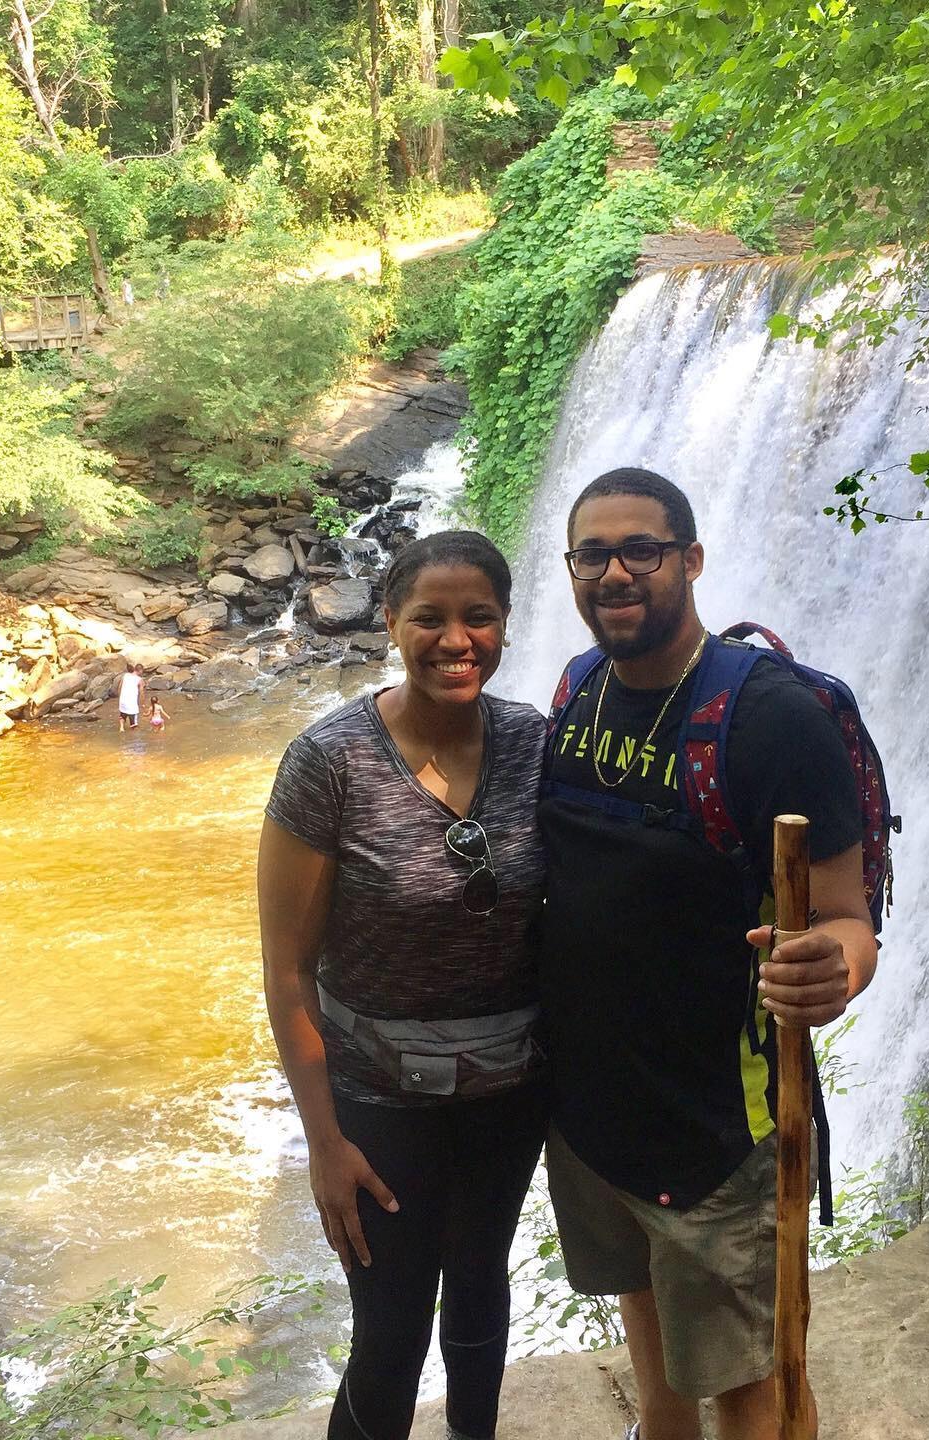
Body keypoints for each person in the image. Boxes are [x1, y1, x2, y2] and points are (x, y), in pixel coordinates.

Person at [539, 468, 879, 1440]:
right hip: (591, 1115)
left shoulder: (772, 719)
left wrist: (833, 972)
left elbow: (848, 921)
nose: (615, 573)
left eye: (640, 550)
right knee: (646, 1319)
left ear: (689, 560)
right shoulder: (579, 688)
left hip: (717, 1133)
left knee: (749, 1388)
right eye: (593, 554)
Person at [258, 531, 547, 1440]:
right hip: (378, 1101)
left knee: (481, 1289)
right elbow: (288, 969)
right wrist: (323, 1143)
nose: (455, 640)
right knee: (390, 1330)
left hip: (509, 1092)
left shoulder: (536, 744)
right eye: (430, 618)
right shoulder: (330, 762)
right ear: (390, 622)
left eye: (478, 617)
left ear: (505, 624)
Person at [118, 664, 144, 733]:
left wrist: (120, 697)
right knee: (134, 721)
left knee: (122, 714)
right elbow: (141, 692)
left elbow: (119, 687)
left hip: (123, 700)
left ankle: (121, 728)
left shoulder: (125, 675)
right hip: (131, 702)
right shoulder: (139, 679)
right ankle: (134, 734)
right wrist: (142, 703)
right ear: (140, 670)